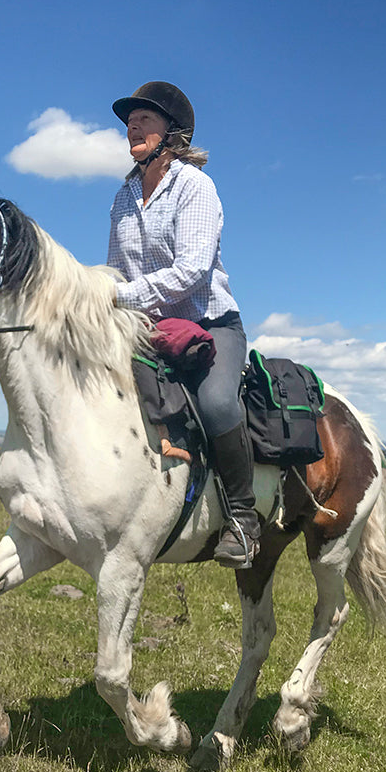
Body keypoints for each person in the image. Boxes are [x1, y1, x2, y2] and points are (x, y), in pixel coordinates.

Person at [107, 81, 260, 567]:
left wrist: (118, 295)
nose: (133, 123)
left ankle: (243, 518)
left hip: (210, 323)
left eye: (145, 117)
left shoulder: (195, 187)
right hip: (150, 327)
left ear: (172, 133)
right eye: (130, 118)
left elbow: (192, 270)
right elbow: (118, 270)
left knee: (216, 403)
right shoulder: (123, 196)